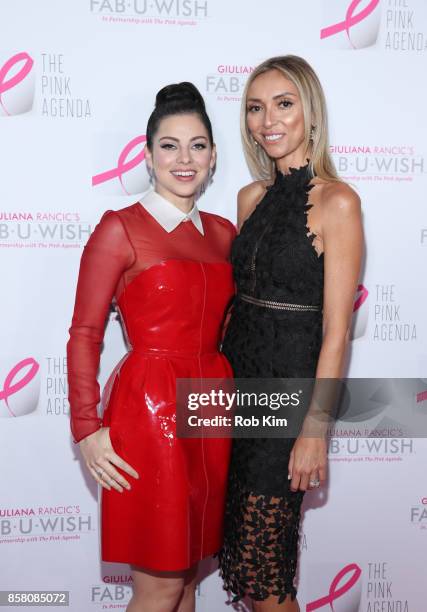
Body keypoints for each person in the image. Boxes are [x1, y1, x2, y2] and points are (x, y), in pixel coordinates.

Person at [66, 82, 236, 612]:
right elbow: (85, 334)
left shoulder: (225, 233)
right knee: (159, 585)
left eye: (198, 145)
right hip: (148, 409)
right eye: (170, 145)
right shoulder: (120, 228)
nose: (184, 159)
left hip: (212, 407)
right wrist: (86, 429)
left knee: (187, 579)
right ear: (147, 156)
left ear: (212, 157)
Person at [217, 55, 363, 611]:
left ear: (310, 111)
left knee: (265, 579)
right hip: (233, 395)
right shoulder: (249, 199)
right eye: (256, 108)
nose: (267, 120)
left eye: (283, 104)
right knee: (245, 569)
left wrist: (314, 431)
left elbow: (337, 332)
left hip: (286, 404)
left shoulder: (338, 202)